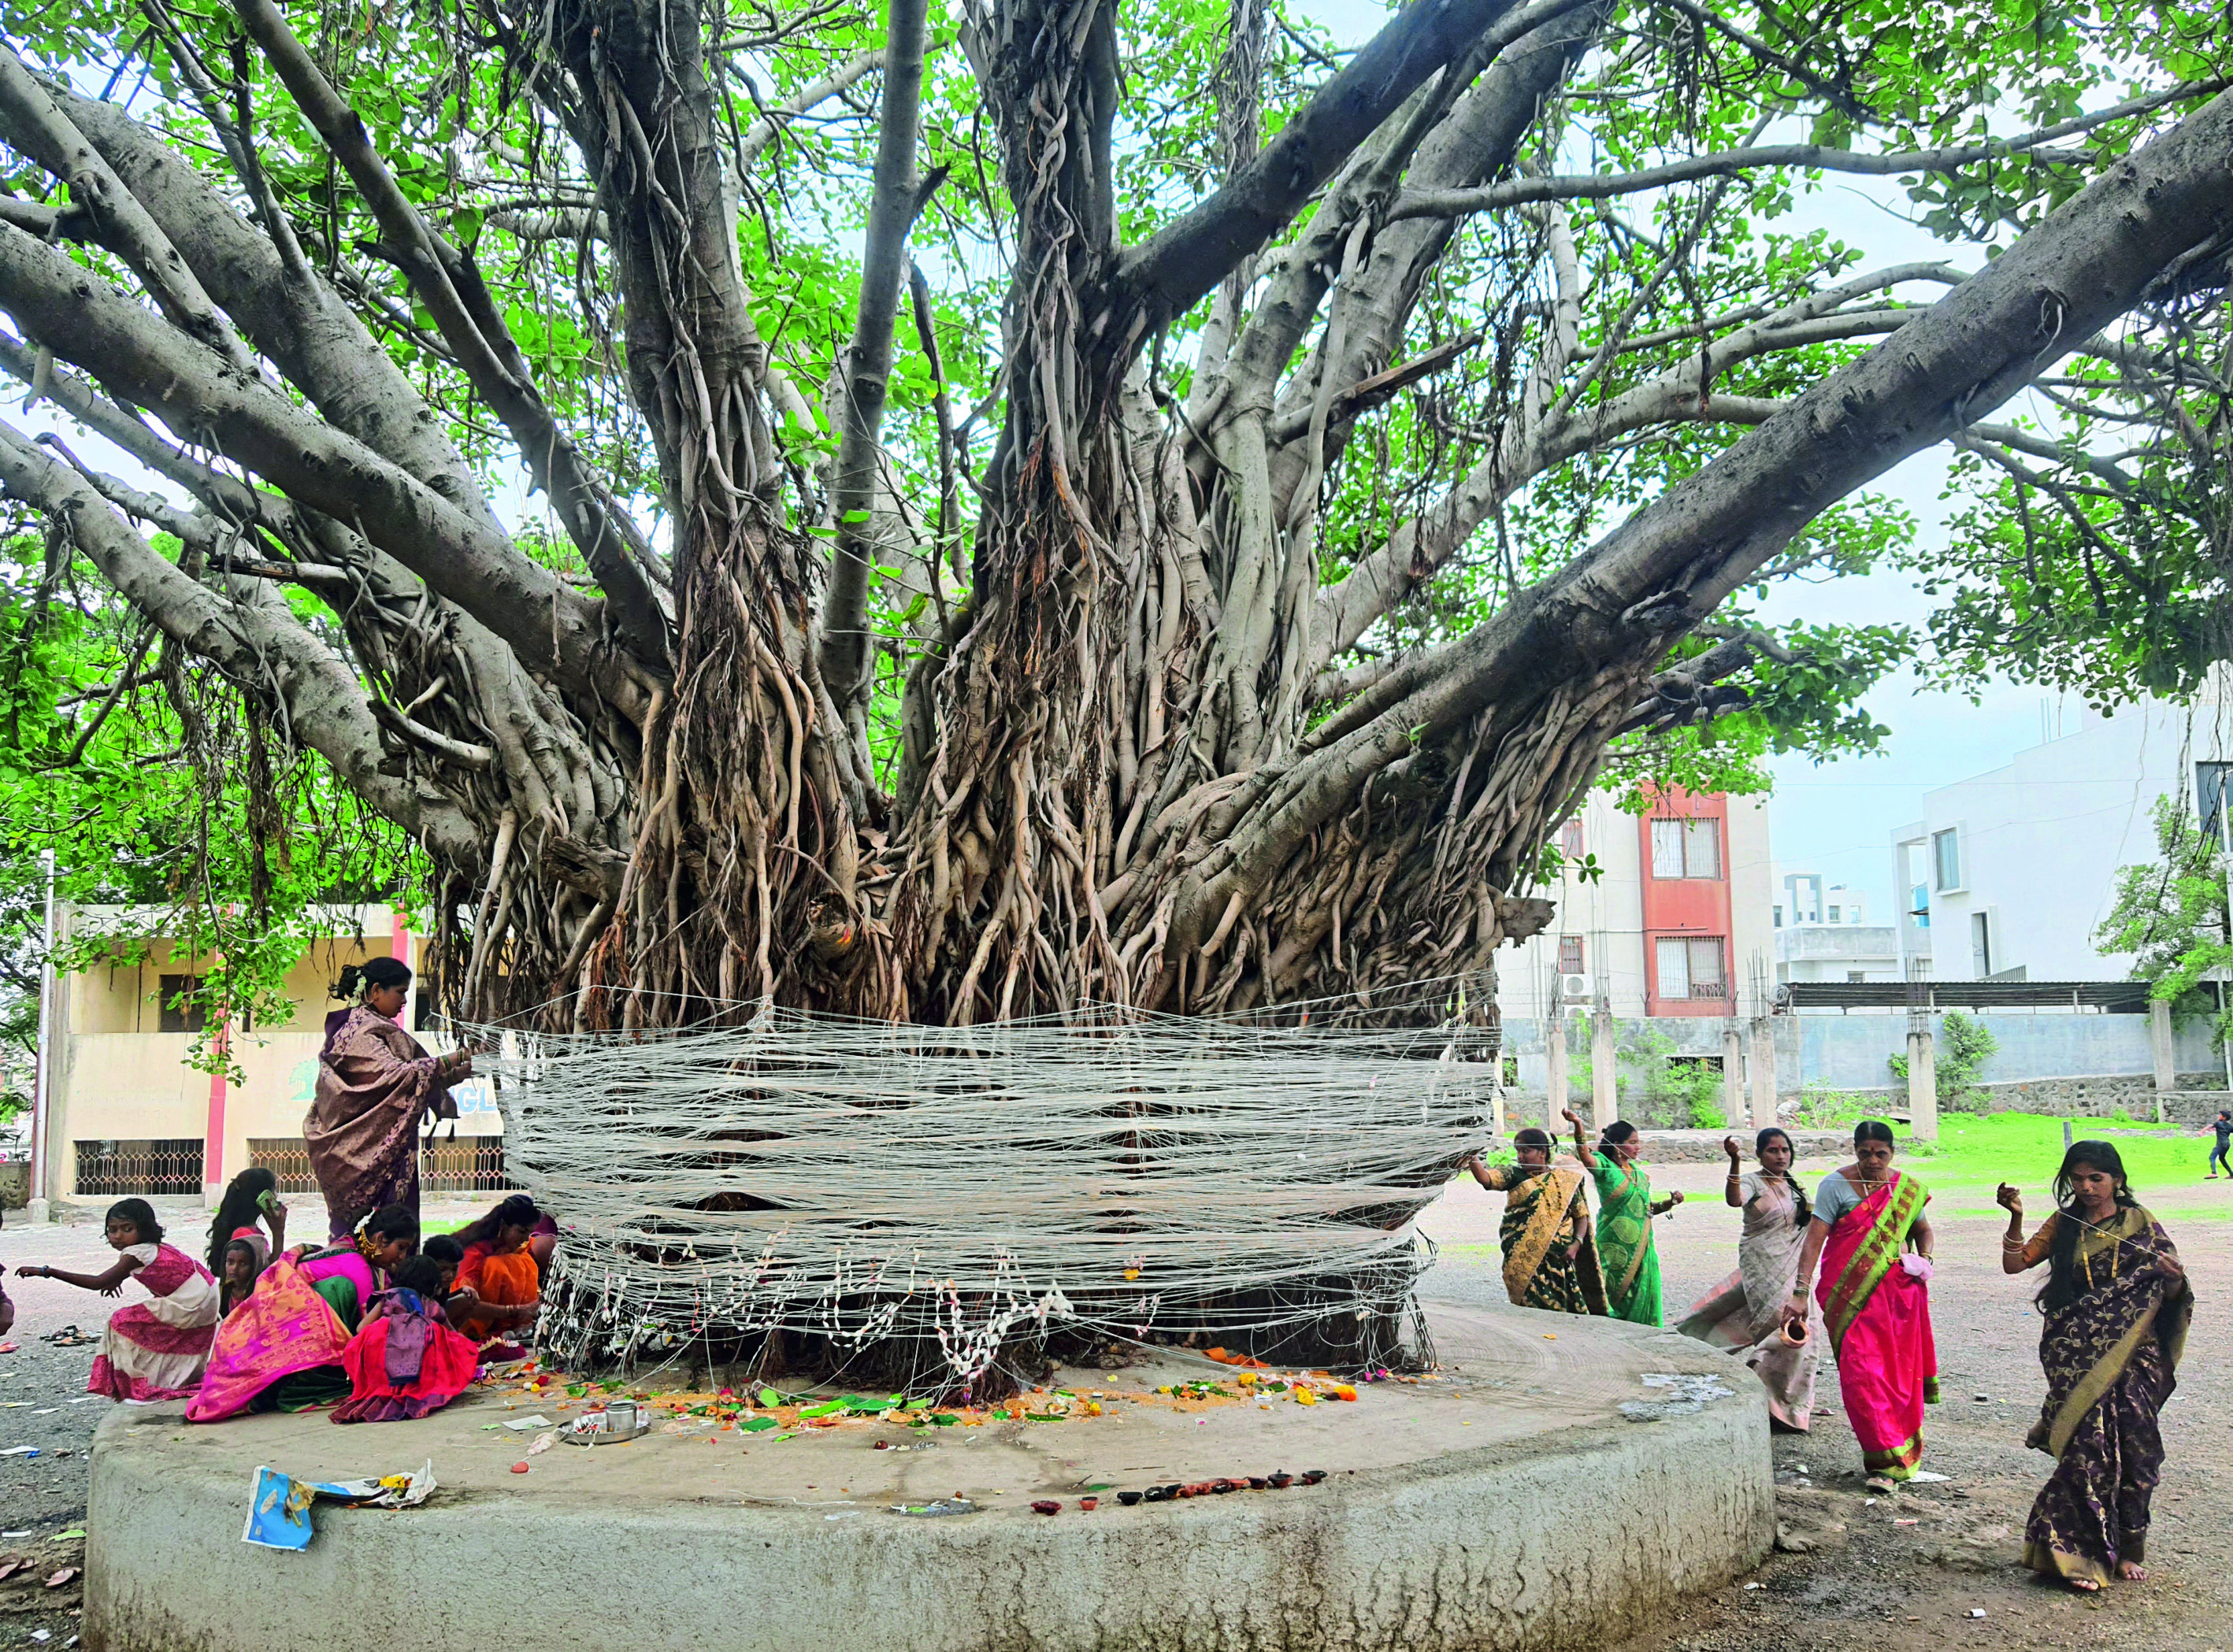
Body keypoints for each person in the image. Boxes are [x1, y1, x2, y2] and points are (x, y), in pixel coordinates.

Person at [1997, 1143, 2190, 1592]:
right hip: (2074, 1351)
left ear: (2117, 1180)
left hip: (2133, 1356)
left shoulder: (2140, 1224)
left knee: (2138, 1451)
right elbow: (2014, 1265)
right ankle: (2073, 1550)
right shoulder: (2064, 1223)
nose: (2085, 1188)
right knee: (2088, 1450)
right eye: (2077, 1179)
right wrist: (2015, 1217)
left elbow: (2173, 1292)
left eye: (2096, 1179)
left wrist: (2176, 1277)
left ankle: (2128, 1550)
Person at [1782, 1121, 1938, 1491]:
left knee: (1896, 1376)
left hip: (1898, 1299)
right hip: (1848, 1299)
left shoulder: (1906, 1188)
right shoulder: (1835, 1186)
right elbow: (1815, 1241)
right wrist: (1801, 1292)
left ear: (1892, 1153)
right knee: (1861, 1375)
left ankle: (1895, 1458)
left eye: (1880, 1153)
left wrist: (1923, 1259)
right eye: (1864, 1153)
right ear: (1854, 1150)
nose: (1872, 1160)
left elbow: (1923, 1231)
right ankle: (1883, 1461)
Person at [187, 1204, 421, 1421]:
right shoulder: (358, 1267)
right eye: (401, 1248)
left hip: (275, 1337)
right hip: (273, 1340)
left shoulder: (351, 1249)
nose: (402, 1256)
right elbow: (366, 1331)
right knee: (339, 1289)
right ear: (380, 1239)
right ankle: (306, 1387)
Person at [307, 957, 475, 1239]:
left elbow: (412, 1079)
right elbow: (395, 1077)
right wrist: (453, 1059)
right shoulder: (359, 1030)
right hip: (365, 1148)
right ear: (375, 991)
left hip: (391, 1147)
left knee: (394, 1232)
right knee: (375, 1234)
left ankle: (393, 1277)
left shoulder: (379, 1028)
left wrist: (459, 1072)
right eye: (400, 991)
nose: (406, 1001)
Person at [1677, 1128, 1821, 1432]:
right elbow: (1734, 1200)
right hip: (1762, 1264)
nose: (1781, 1156)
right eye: (1773, 1151)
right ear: (1760, 1155)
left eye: (1785, 1150)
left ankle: (1790, 1404)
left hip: (1792, 1267)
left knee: (1802, 1331)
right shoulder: (1755, 1181)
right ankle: (1769, 1399)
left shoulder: (1795, 1185)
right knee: (1775, 1326)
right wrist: (1734, 1162)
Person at [15, 1198, 220, 1401]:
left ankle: (133, 1384)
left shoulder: (136, 1252)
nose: (118, 1236)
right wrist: (116, 1279)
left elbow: (97, 1282)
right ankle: (165, 1377)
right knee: (151, 1331)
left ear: (143, 1229)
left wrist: (47, 1271)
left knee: (121, 1322)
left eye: (127, 1229)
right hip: (206, 1300)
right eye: (112, 1230)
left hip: (192, 1304)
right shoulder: (152, 1247)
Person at [1463, 1128, 1608, 1316]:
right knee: (1529, 1313)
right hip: (1522, 1259)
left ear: (1543, 1152)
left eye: (1526, 1151)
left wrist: (1577, 1244)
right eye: (1518, 1151)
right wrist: (1469, 1153)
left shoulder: (1565, 1181)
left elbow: (1581, 1216)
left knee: (1562, 1312)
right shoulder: (1514, 1175)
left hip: (1559, 1261)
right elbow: (1485, 1178)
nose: (1520, 1156)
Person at [1561, 1108, 1682, 1325]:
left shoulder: (1638, 1173)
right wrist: (1578, 1124)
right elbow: (1585, 1157)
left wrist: (1670, 1203)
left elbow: (1647, 1210)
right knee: (1609, 1293)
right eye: (1633, 1142)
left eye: (1638, 1142)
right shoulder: (1606, 1168)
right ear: (1617, 1145)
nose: (1638, 1147)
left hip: (1642, 1248)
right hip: (1614, 1248)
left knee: (1643, 1292)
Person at [332, 1255, 481, 1424]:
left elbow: (361, 1329)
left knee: (376, 1333)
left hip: (382, 1369)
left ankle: (382, 1388)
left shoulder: (388, 1298)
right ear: (434, 1285)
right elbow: (454, 1335)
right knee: (443, 1337)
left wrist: (388, 1330)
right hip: (420, 1375)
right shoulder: (431, 1306)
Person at [451, 1194, 543, 1347]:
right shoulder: (473, 1251)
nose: (526, 1238)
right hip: (463, 1324)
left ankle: (507, 1327)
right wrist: (517, 1311)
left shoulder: (509, 1246)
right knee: (498, 1266)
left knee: (525, 1261)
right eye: (521, 1231)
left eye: (529, 1232)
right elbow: (463, 1304)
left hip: (506, 1322)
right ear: (503, 1226)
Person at [203, 1167, 287, 1280]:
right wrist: (278, 1233)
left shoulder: (244, 1230)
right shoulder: (245, 1236)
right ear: (263, 1197)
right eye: (273, 1192)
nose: (276, 1197)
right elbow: (270, 1276)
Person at [217, 1232, 271, 1319]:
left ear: (254, 1267)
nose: (234, 1268)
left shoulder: (261, 1295)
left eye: (242, 1264)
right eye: (230, 1262)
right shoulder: (221, 1292)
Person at [2201, 1109, 2232, 1180]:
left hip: (2221, 1143)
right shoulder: (2229, 1126)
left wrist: (2202, 1131)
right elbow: (2223, 1130)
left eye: (2220, 1115)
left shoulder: (2218, 1123)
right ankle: (2232, 1174)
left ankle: (2214, 1173)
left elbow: (2210, 1126)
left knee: (2212, 1157)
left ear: (2224, 1117)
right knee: (2222, 1158)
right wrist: (2216, 1129)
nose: (2219, 1116)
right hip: (2227, 1144)